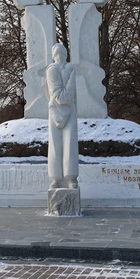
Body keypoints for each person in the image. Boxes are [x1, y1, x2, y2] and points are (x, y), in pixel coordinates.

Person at [46, 43, 79, 189]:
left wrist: (65, 97)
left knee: (70, 142)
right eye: (57, 53)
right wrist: (64, 97)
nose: (59, 55)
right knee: (55, 143)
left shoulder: (70, 68)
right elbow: (57, 92)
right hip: (55, 109)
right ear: (54, 55)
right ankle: (56, 178)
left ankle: (71, 178)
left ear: (65, 54)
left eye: (62, 52)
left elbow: (70, 93)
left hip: (70, 108)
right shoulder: (51, 69)